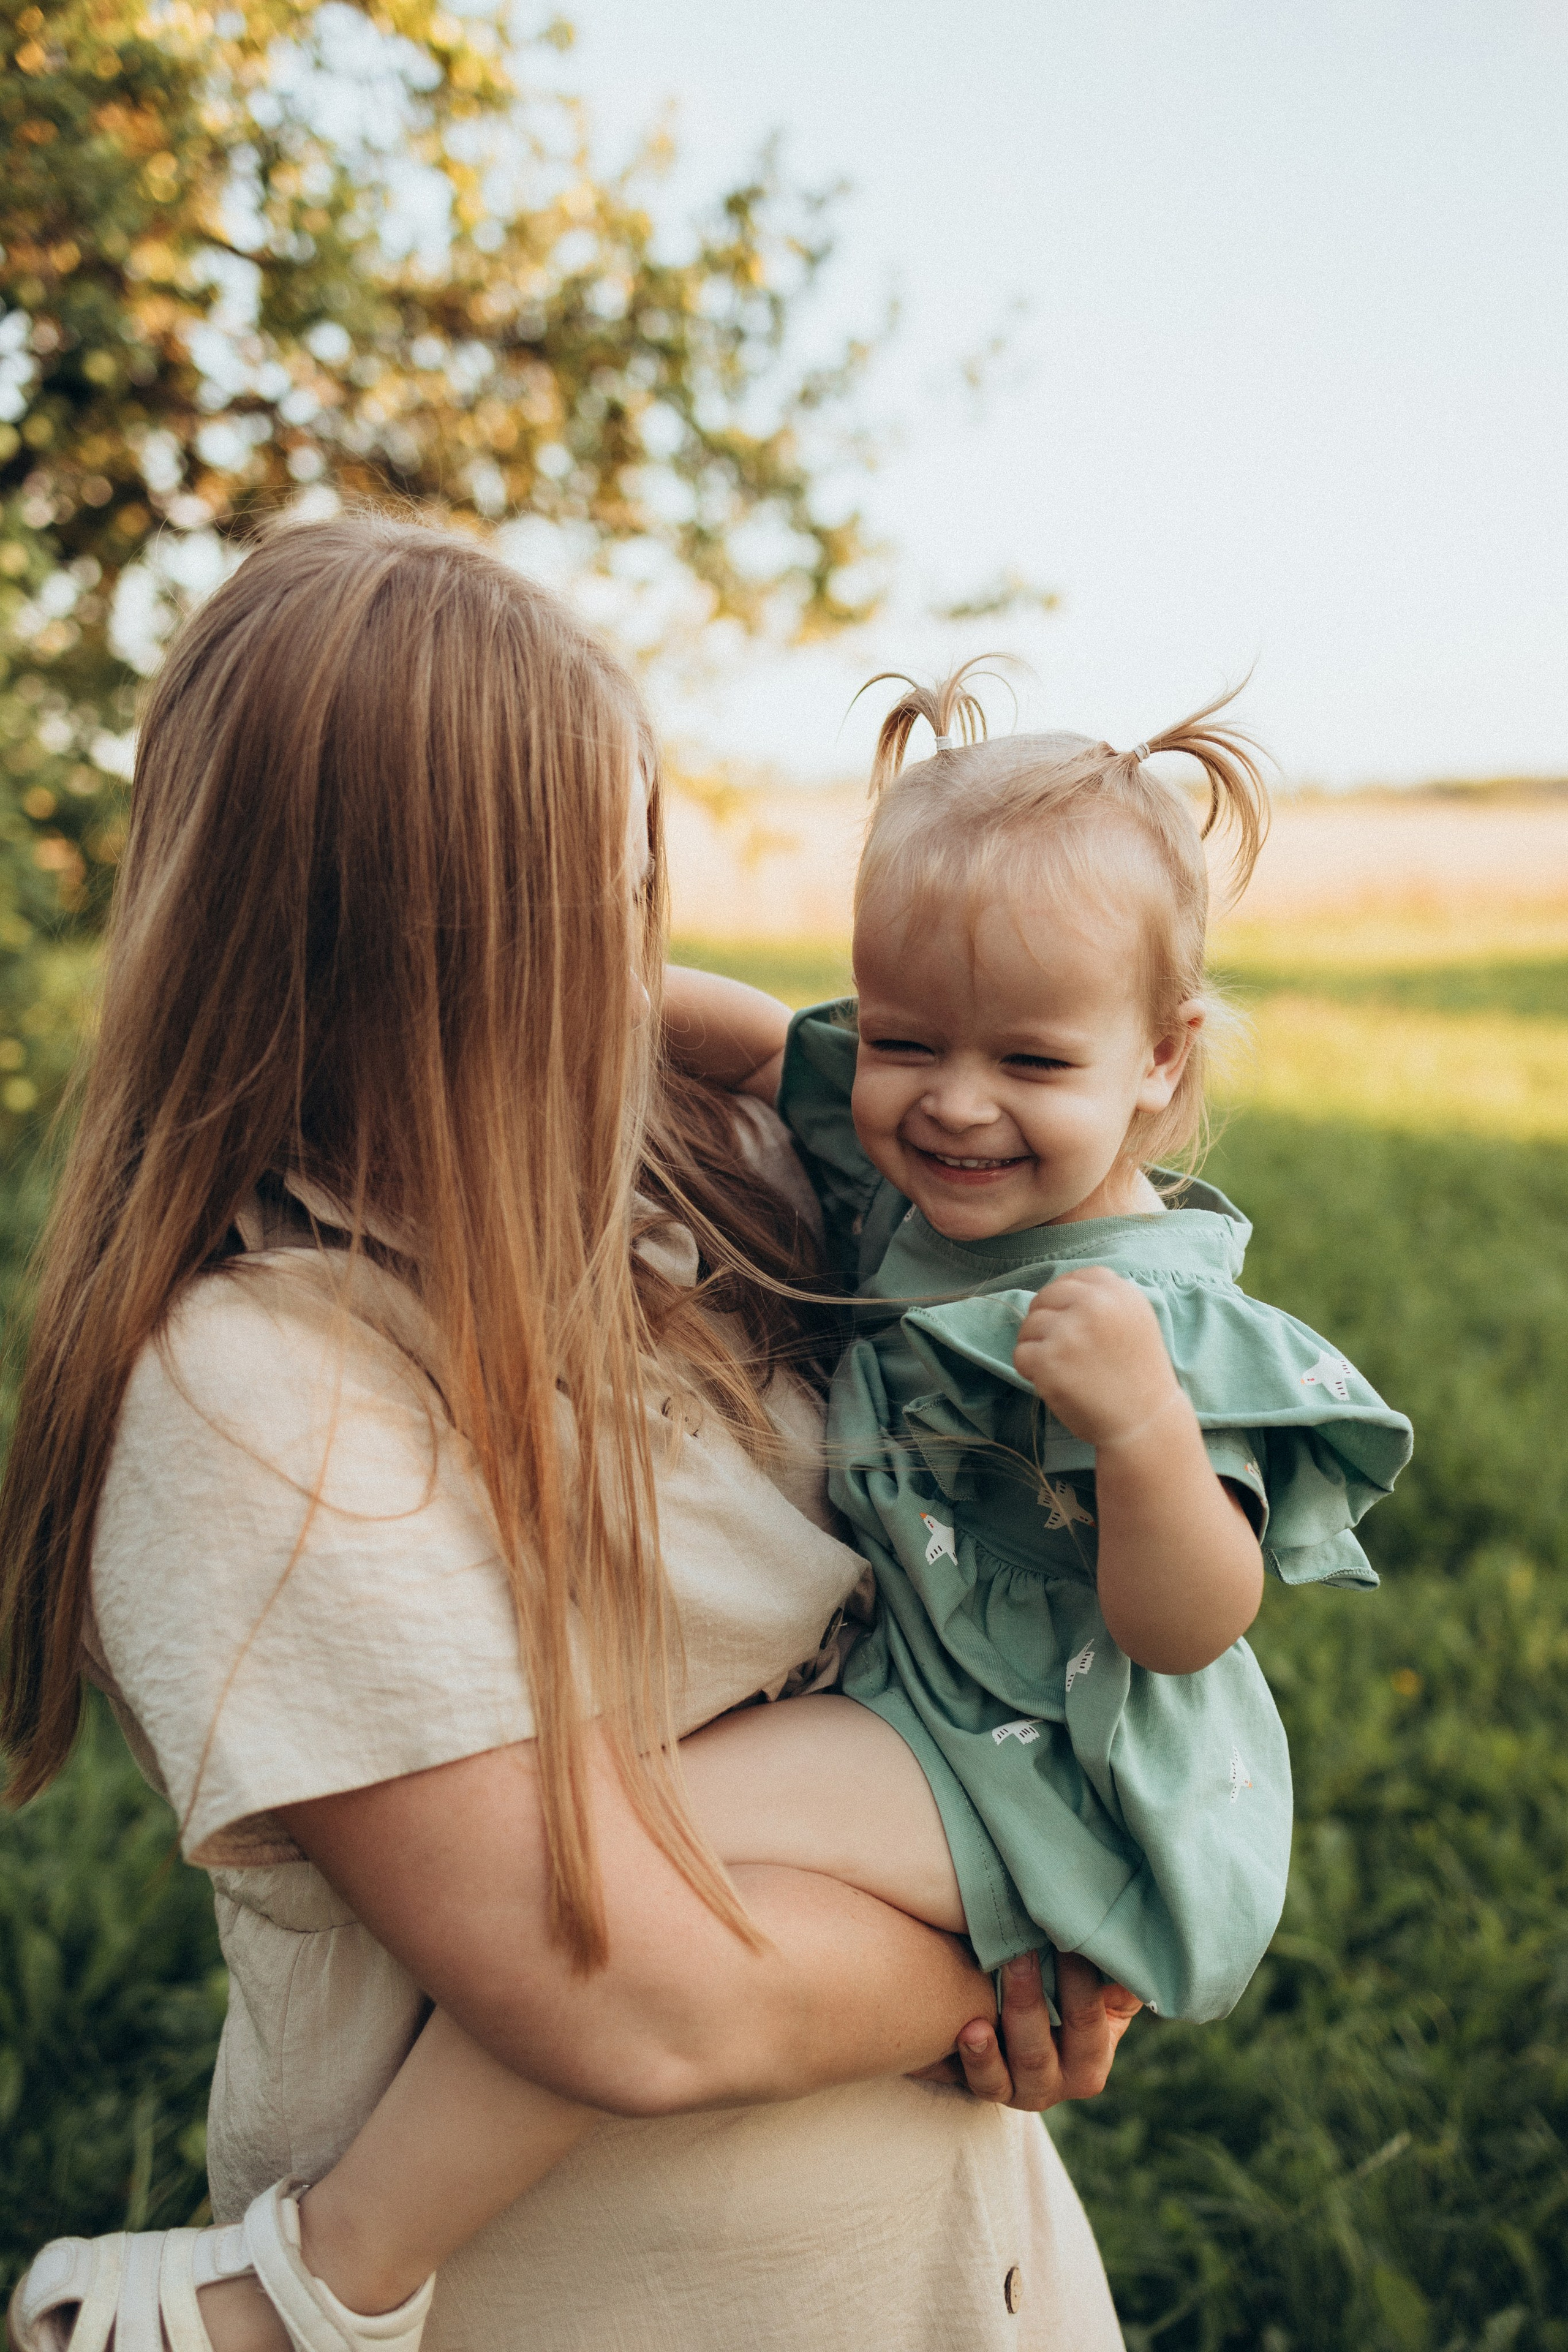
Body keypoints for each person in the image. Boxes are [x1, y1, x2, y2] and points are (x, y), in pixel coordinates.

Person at [92, 660, 1414, 2343]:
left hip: (1022, 1756)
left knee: (637, 1838)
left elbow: (1195, 1617)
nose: (949, 1096)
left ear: (1165, 1064)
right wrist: (578, 1001)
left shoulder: (1136, 1314)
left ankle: (328, 2277)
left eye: (1027, 1056)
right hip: (904, 1777)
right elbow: (754, 1034)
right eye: (908, 1038)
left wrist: (1148, 1434)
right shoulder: (269, 1374)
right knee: (624, 1865)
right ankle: (324, 2280)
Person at [2, 530, 1134, 2352]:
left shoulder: (700, 1180)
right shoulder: (257, 1381)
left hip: (945, 2268)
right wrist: (1039, 1939)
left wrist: (1068, 1907)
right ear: (366, 951)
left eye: (635, 886)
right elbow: (626, 1997)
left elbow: (984, 1207)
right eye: (571, 909)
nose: (628, 958)